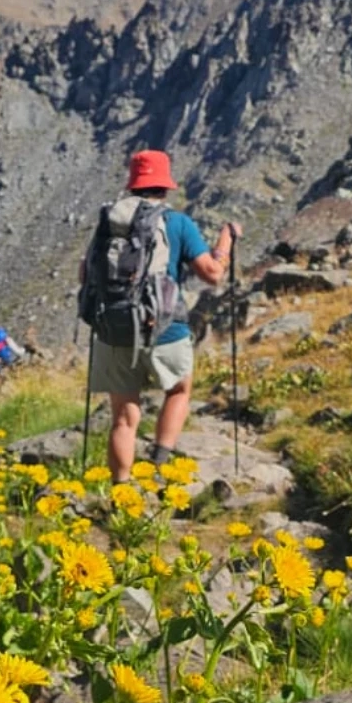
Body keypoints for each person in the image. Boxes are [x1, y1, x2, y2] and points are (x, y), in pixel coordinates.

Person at [79, 149, 242, 484]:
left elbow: (85, 274)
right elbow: (212, 274)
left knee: (123, 418)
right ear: (165, 186)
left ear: (133, 184)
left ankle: (120, 492)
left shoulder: (109, 222)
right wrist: (226, 240)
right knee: (179, 390)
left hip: (114, 329)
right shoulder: (176, 222)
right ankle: (157, 465)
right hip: (165, 328)